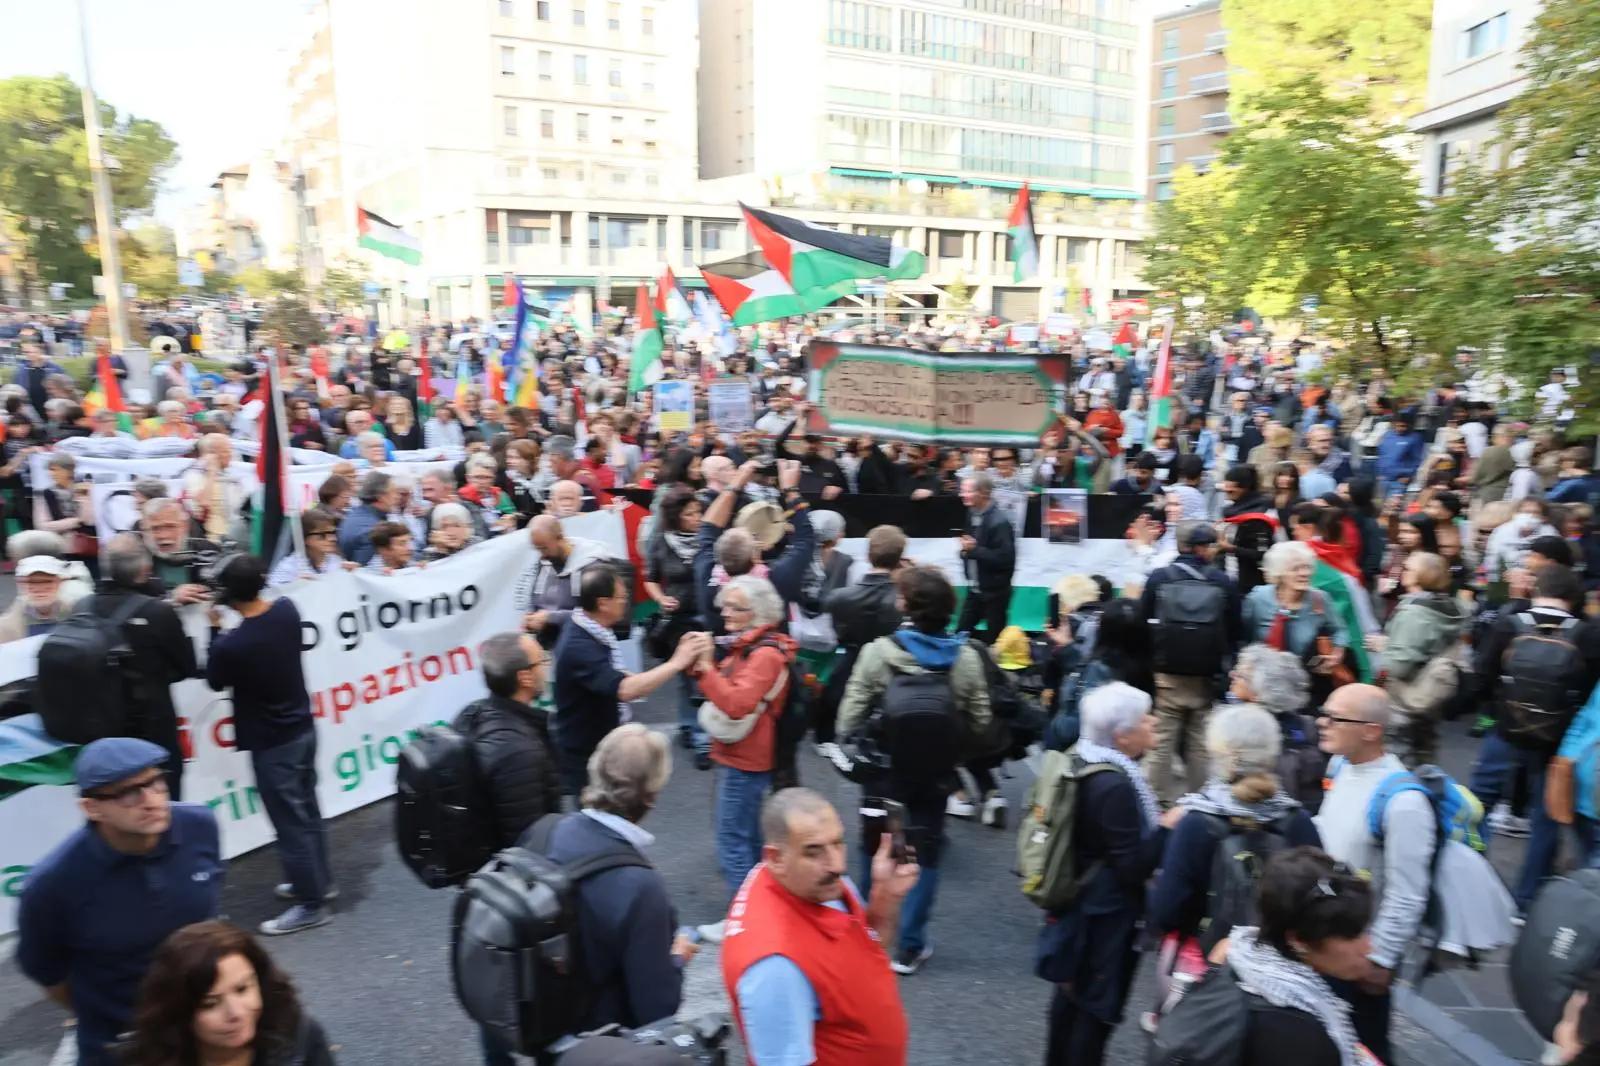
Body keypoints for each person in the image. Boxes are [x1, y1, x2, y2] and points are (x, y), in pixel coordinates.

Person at [14, 738, 223, 1066]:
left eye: (155, 782)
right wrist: (109, 1014)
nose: (151, 800)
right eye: (129, 793)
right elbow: (50, 977)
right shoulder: (52, 886)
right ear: (91, 808)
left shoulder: (200, 826)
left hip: (208, 1027)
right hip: (125, 1046)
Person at [837, 565, 991, 974]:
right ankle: (909, 945)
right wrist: (954, 751)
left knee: (875, 846)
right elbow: (980, 722)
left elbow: (848, 719)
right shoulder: (966, 658)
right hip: (935, 772)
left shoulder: (878, 653)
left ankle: (867, 932)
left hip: (883, 770)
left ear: (905, 605)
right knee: (926, 852)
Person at [722, 788, 918, 1066]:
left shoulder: (816, 884)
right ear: (775, 858)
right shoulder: (774, 967)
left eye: (838, 843)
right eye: (814, 852)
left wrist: (886, 895)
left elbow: (868, 950)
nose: (837, 864)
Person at [1037, 683, 1170, 1066]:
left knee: (1069, 998)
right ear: (1122, 736)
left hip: (1079, 901)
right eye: (1146, 718)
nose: (1155, 722)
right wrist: (1166, 828)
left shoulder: (1081, 759)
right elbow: (1131, 866)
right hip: (1106, 913)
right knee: (1096, 1010)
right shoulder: (1114, 785)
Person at [1146, 704, 1322, 992]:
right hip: (1280, 974)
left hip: (1206, 968)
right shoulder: (1297, 821)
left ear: (1220, 757)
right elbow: (1317, 898)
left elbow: (1166, 911)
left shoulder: (1195, 821)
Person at [537, 723, 698, 1032]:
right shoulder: (641, 888)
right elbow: (657, 1009)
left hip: (542, 1014)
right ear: (650, 796)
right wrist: (676, 959)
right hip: (599, 1038)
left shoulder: (546, 829)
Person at [204, 554, 333, 936]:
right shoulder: (287, 611)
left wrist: (214, 631)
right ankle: (318, 882)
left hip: (274, 745)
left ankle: (310, 904)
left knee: (290, 825)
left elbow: (213, 679)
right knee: (308, 811)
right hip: (303, 731)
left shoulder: (233, 645)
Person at [1314, 683, 1436, 1062]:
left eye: (1335, 717)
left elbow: (1408, 893)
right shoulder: (1339, 766)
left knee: (1364, 1047)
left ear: (1371, 730)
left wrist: (1380, 960)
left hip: (1357, 958)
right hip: (1324, 937)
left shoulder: (1404, 803)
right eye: (1324, 712)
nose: (1322, 723)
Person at [1469, 563, 1600, 915]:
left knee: (1476, 804)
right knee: (1546, 819)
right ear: (1573, 598)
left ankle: (1471, 881)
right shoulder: (1586, 634)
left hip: (1506, 730)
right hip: (1555, 740)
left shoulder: (1511, 623)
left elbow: (1482, 676)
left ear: (1535, 589)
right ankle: (1525, 902)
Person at [689, 575, 798, 942]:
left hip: (745, 758)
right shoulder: (757, 645)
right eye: (726, 606)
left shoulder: (763, 653)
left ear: (759, 612)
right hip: (748, 755)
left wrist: (705, 669)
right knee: (747, 840)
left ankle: (746, 920)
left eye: (737, 607)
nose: (727, 614)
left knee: (732, 841)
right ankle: (762, 911)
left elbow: (737, 704)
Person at [550, 563, 709, 794]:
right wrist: (676, 662)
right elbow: (625, 689)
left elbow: (628, 681)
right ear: (603, 603)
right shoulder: (580, 646)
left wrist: (655, 674)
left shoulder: (588, 627)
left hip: (598, 743)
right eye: (622, 597)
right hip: (587, 755)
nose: (627, 601)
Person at [1210, 848, 1378, 1066]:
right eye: (1352, 935)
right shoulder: (1303, 1039)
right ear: (1299, 940)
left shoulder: (1231, 951)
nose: (1368, 947)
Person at [120, 920, 339, 1066]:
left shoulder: (298, 1035)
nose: (236, 1013)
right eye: (210, 1004)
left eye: (242, 989)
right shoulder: (142, 1059)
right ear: (178, 1010)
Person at [88, 534, 200, 797]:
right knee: (162, 799)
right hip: (153, 727)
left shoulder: (82, 606)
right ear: (145, 569)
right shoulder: (157, 613)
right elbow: (188, 667)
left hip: (104, 728)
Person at [1141, 521, 1241, 803]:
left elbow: (1142, 621)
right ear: (1200, 547)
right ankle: (1201, 800)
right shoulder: (1221, 582)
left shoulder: (1160, 578)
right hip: (1206, 676)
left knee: (1161, 740)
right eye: (1210, 545)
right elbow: (1236, 630)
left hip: (1166, 675)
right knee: (1201, 743)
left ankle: (1156, 801)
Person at [818, 524, 908, 762]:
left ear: (869, 555)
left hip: (851, 659)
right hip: (892, 666)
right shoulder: (904, 599)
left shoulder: (841, 597)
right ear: (900, 558)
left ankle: (832, 741)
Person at [1369, 551, 1467, 766]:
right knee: (1426, 758)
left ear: (1422, 576)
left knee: (1397, 762)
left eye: (1408, 568)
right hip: (1431, 695)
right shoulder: (1449, 608)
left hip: (1403, 701)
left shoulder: (1413, 613)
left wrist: (1383, 647)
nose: (1402, 571)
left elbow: (1399, 666)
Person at [644, 485, 710, 765]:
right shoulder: (660, 541)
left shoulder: (709, 538)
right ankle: (696, 733)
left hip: (709, 615)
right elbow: (650, 578)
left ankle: (699, 734)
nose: (697, 517)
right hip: (679, 619)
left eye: (698, 511)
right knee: (687, 677)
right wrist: (661, 598)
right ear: (675, 516)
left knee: (704, 676)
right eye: (690, 513)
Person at [1243, 541, 1349, 674]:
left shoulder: (1319, 599)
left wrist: (1337, 652)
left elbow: (1340, 630)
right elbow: (1245, 638)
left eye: (1307, 567)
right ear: (1279, 573)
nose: (1304, 573)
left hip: (1304, 679)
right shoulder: (1257, 599)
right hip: (1263, 677)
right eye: (1295, 569)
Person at [518, 513, 623, 646]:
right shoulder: (544, 560)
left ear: (560, 538)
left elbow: (597, 614)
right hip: (548, 643)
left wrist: (551, 617)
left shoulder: (592, 565)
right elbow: (535, 597)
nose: (542, 555)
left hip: (583, 645)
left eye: (544, 548)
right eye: (537, 549)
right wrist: (530, 616)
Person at [956, 473, 1016, 644]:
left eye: (968, 491)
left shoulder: (1000, 522)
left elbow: (1005, 559)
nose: (963, 495)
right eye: (962, 491)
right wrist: (965, 552)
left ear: (983, 493)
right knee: (961, 633)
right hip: (975, 590)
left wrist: (973, 551)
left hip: (995, 593)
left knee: (995, 641)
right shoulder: (972, 513)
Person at [1218, 464, 1279, 594]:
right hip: (1233, 572)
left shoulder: (1260, 516)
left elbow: (1264, 553)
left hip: (1254, 581)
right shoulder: (1232, 509)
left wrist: (1230, 548)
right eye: (1226, 491)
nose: (1228, 495)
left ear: (1245, 489)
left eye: (1232, 491)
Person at [267, 508, 350, 587]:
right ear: (305, 538)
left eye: (333, 532)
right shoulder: (289, 567)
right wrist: (294, 586)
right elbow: (271, 595)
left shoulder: (338, 563)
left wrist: (351, 575)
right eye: (322, 535)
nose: (332, 539)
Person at [0, 554, 75, 640]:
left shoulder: (79, 616)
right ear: (20, 584)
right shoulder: (4, 628)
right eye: (31, 582)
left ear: (60, 582)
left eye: (47, 581)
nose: (39, 589)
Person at [337, 471, 398, 565]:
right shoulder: (372, 531)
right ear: (381, 497)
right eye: (394, 492)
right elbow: (366, 574)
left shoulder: (356, 514)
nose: (397, 497)